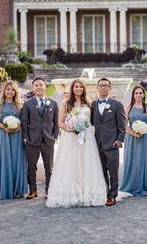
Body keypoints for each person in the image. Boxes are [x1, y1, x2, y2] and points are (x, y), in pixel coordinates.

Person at [47, 79, 107, 207]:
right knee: (71, 163)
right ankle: (71, 194)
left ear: (83, 88)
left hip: (87, 138)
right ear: (72, 89)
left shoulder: (89, 103)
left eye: (80, 87)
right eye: (76, 87)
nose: (78, 89)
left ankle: (88, 194)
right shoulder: (65, 104)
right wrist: (73, 128)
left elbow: (91, 121)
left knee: (87, 163)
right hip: (71, 137)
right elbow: (60, 123)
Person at [0, 81, 28, 199]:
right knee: (4, 159)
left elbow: (24, 120)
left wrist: (17, 125)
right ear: (4, 90)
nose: (10, 91)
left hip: (17, 135)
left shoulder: (20, 104)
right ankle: (3, 189)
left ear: (16, 91)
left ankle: (17, 189)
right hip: (3, 135)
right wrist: (4, 127)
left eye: (12, 89)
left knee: (17, 160)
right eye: (8, 89)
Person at [21, 77, 59, 199]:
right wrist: (26, 138)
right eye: (36, 85)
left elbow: (56, 122)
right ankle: (33, 190)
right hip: (32, 140)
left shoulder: (53, 103)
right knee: (31, 167)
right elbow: (24, 122)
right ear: (33, 87)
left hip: (48, 141)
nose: (38, 87)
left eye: (41, 85)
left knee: (49, 167)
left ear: (45, 86)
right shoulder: (27, 104)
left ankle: (49, 190)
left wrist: (54, 137)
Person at [91, 78, 126, 206]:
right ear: (97, 87)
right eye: (101, 85)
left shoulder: (117, 104)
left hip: (112, 143)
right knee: (101, 171)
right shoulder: (93, 105)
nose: (103, 88)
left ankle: (113, 195)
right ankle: (104, 192)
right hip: (97, 144)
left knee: (113, 172)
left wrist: (119, 140)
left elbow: (122, 125)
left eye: (106, 86)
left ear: (110, 88)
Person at [119, 85, 147, 196]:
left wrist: (145, 130)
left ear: (143, 94)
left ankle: (146, 185)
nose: (138, 95)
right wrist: (134, 133)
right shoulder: (129, 108)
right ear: (133, 95)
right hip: (132, 138)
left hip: (145, 137)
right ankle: (132, 184)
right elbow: (124, 125)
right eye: (136, 93)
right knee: (134, 160)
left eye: (140, 93)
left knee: (145, 160)